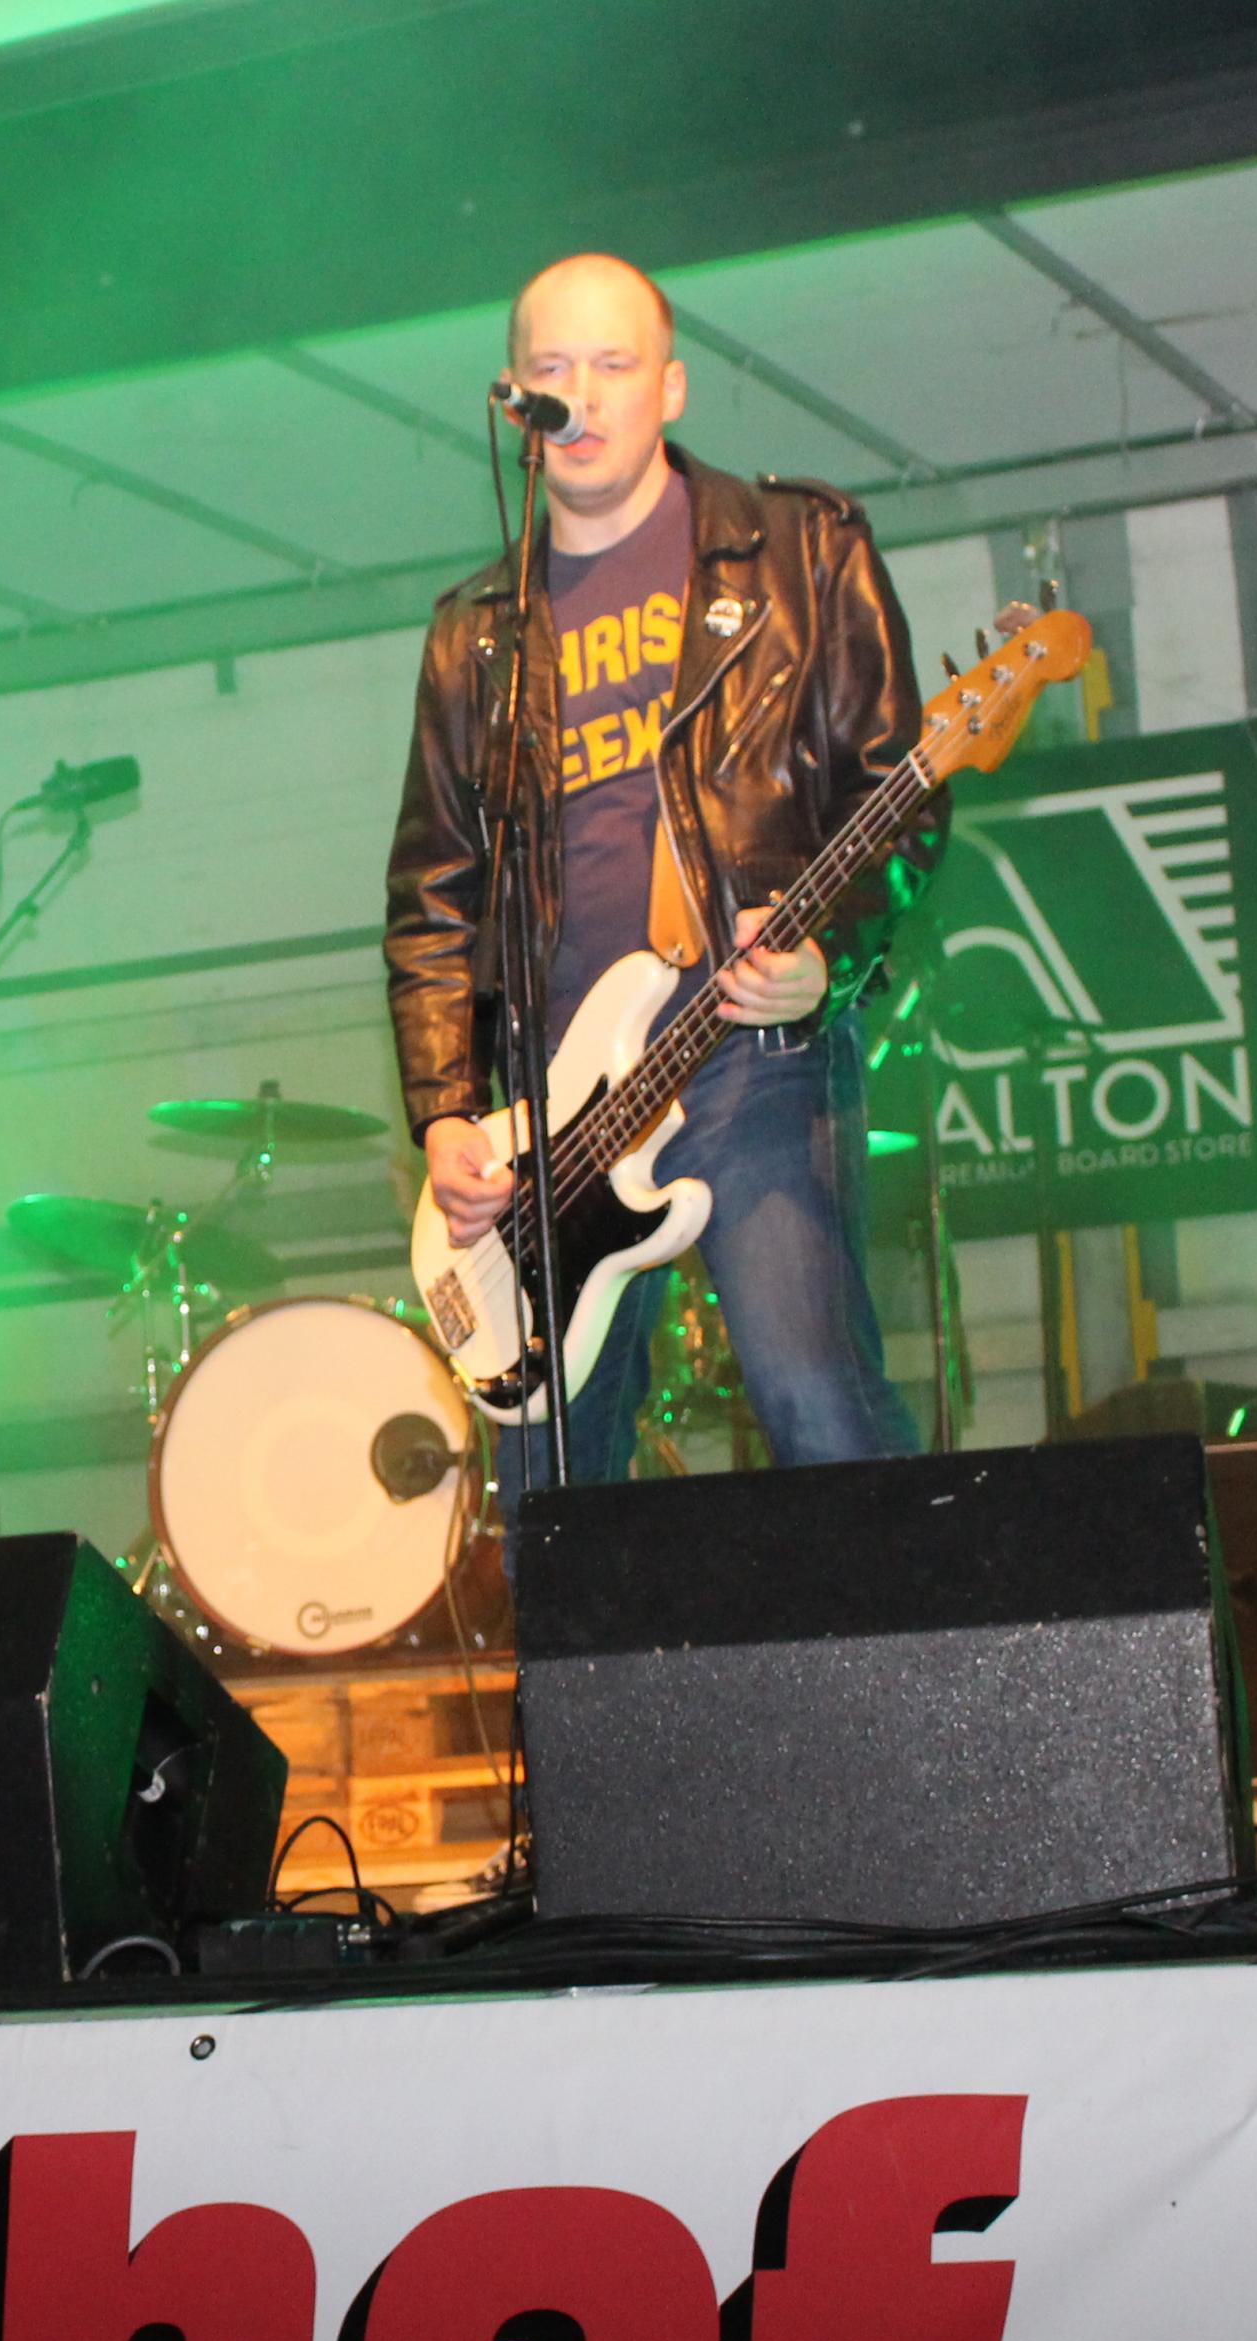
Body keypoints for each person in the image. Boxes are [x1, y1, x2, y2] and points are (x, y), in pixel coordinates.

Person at [383, 251, 939, 1490]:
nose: (579, 395)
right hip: (554, 1109)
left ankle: (906, 1621)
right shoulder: (476, 635)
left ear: (671, 388)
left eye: (613, 365)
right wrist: (448, 1112)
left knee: (813, 1398)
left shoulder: (799, 551)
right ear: (515, 398)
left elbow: (901, 801)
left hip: (751, 1057)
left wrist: (830, 958)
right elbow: (432, 894)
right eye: (551, 368)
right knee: (551, 1486)